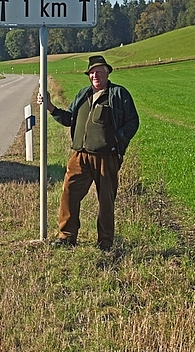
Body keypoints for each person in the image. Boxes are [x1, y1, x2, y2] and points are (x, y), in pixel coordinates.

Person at [38, 55, 139, 252]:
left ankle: (105, 242)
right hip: (79, 155)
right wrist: (49, 106)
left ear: (107, 73)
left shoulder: (118, 94)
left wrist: (116, 139)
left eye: (99, 72)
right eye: (92, 72)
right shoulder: (83, 94)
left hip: (106, 157)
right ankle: (67, 236)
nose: (95, 75)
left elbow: (133, 122)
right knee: (69, 193)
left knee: (106, 200)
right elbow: (68, 119)